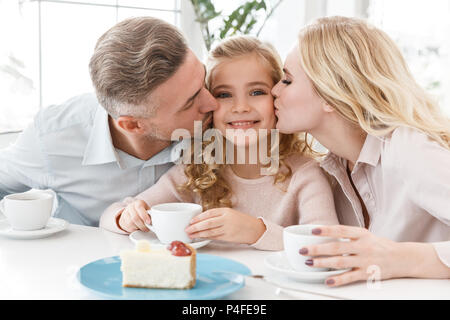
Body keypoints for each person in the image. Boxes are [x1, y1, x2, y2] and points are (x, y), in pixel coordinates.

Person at [100, 36, 339, 250]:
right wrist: (125, 217)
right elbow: (112, 215)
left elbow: (326, 245)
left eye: (257, 92)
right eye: (224, 95)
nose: (241, 107)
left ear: (277, 96)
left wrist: (256, 232)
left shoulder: (305, 175)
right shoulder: (195, 171)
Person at [271, 16, 450, 285]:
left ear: (330, 95)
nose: (274, 90)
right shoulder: (331, 166)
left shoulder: (409, 149)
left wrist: (401, 258)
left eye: (287, 80)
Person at [0, 17, 217, 226]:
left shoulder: (225, 118)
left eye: (203, 79)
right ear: (133, 125)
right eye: (190, 102)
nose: (212, 103)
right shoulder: (52, 138)